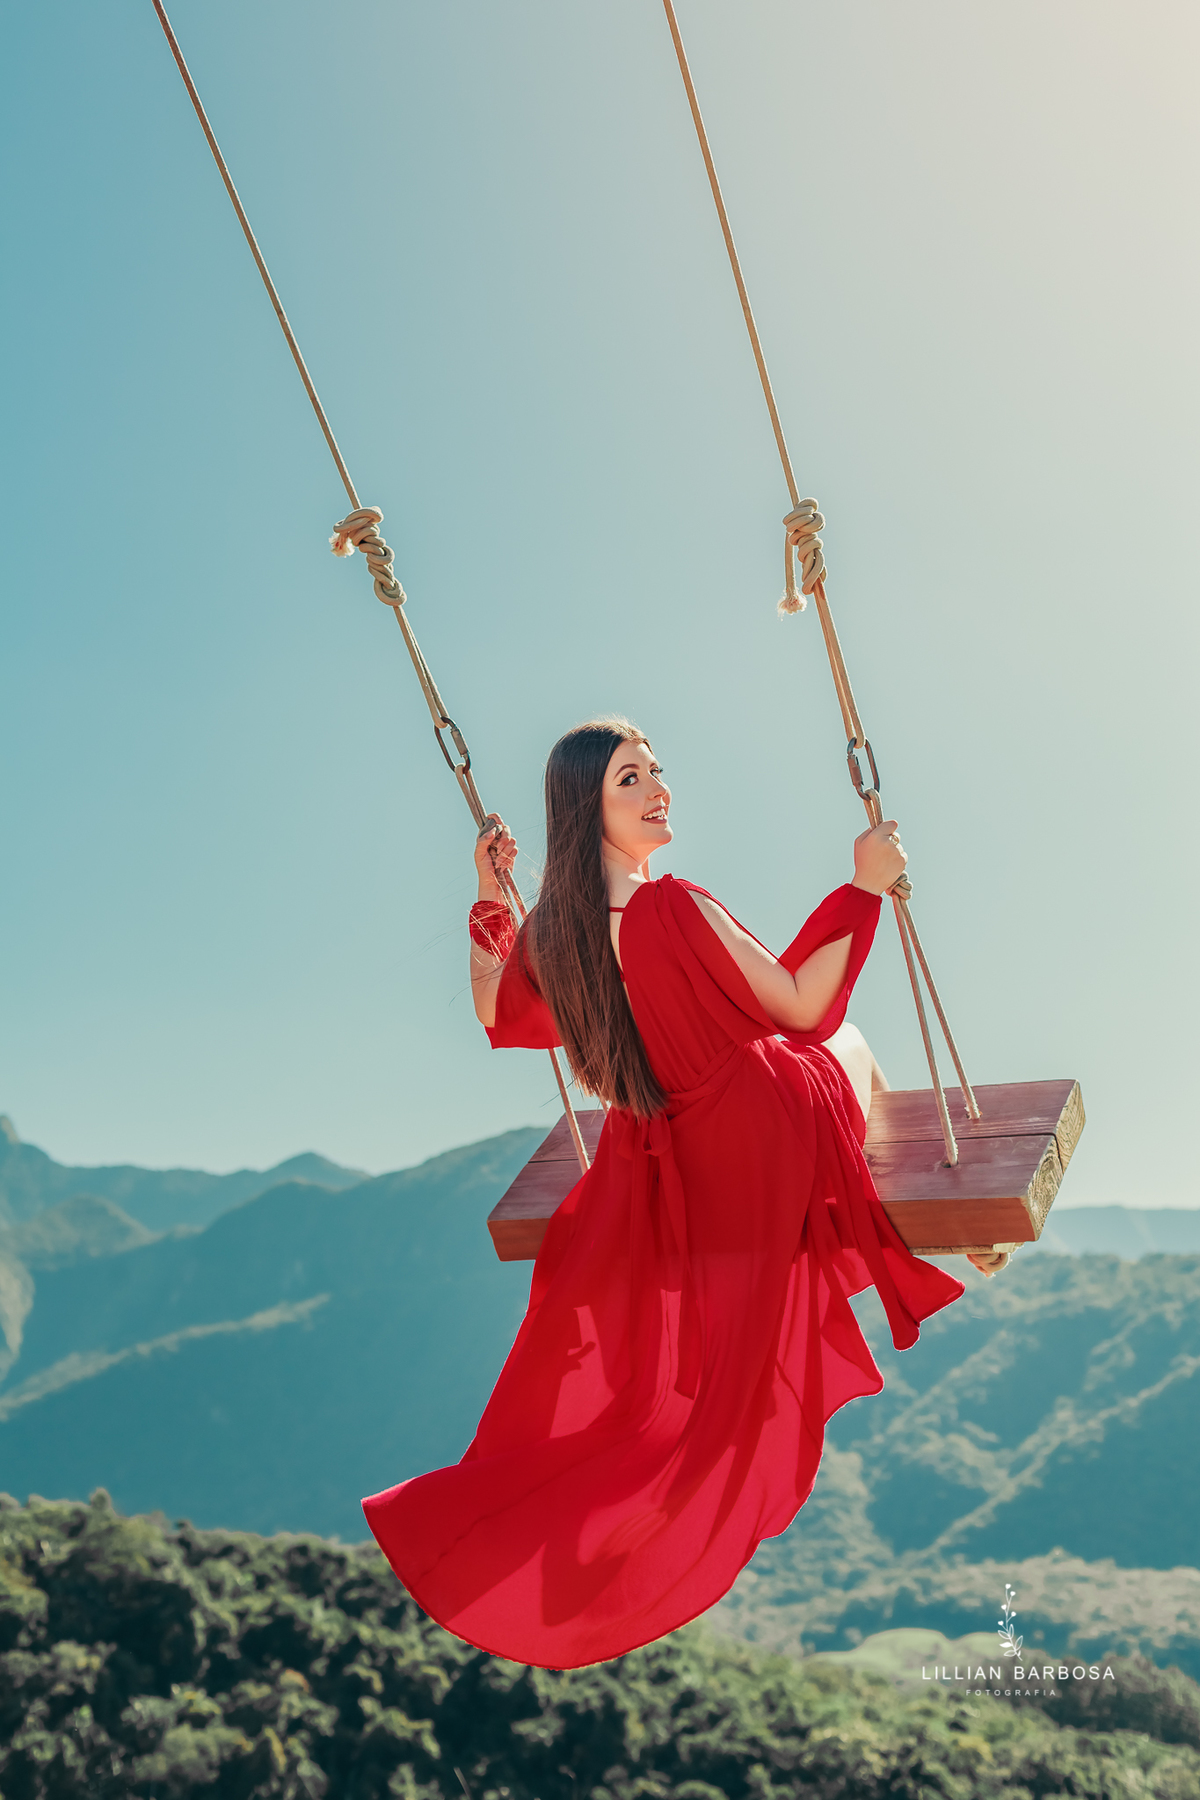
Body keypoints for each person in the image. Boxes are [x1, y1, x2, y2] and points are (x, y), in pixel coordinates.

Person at [362, 718, 998, 1669]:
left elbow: (496, 1006)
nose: (657, 789)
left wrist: (491, 894)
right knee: (846, 1046)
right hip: (753, 1122)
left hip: (663, 1144)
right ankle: (950, 1226)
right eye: (630, 779)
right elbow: (796, 1002)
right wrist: (863, 886)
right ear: (590, 809)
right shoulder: (670, 909)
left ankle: (938, 1232)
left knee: (822, 1056)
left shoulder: (562, 931)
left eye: (656, 771)